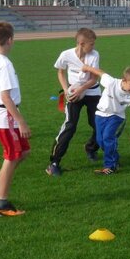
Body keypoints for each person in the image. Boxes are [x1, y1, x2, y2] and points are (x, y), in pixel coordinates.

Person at [46, 28, 101, 176]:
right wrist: (66, 90)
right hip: (73, 94)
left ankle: (91, 148)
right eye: (91, 44)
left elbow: (94, 79)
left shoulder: (94, 55)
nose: (93, 47)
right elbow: (60, 71)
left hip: (92, 91)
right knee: (70, 126)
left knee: (99, 124)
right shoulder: (66, 55)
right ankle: (54, 162)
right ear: (82, 43)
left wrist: (81, 89)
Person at [81, 65, 130, 175]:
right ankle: (115, 157)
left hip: (116, 117)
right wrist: (87, 68)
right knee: (100, 140)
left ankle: (110, 166)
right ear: (124, 80)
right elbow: (100, 72)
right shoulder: (111, 82)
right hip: (100, 114)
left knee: (108, 138)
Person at [0, 22, 31, 216]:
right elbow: (5, 96)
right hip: (6, 117)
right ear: (9, 40)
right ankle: (1, 203)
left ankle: (1, 187)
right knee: (12, 156)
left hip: (5, 114)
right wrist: (21, 121)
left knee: (23, 152)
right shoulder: (4, 64)